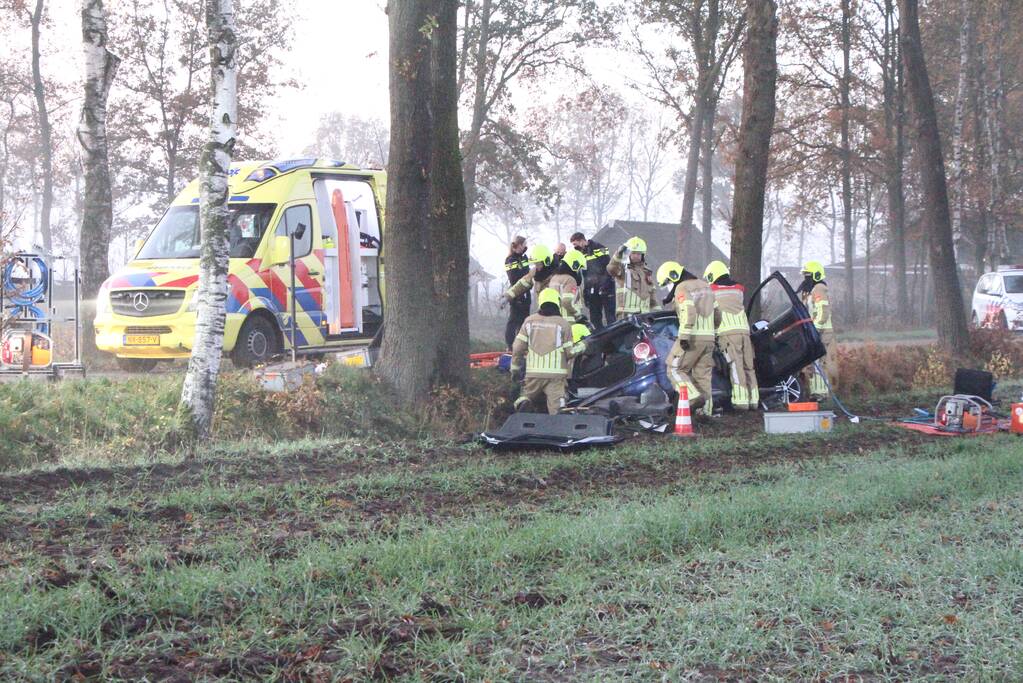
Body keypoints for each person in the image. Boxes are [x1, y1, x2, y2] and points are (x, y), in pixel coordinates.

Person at [510, 288, 585, 414]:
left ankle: (524, 403)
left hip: (533, 374)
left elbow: (517, 348)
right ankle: (556, 427)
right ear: (557, 303)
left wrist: (515, 369)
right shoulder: (563, 324)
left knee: (526, 395)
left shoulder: (529, 321)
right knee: (557, 410)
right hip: (556, 376)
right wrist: (583, 346)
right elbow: (570, 352)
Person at [659, 260, 716, 416]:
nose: (669, 288)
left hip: (692, 337)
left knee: (674, 369)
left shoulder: (682, 287)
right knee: (702, 376)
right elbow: (718, 314)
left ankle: (692, 398)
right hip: (709, 338)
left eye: (667, 283)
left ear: (673, 276)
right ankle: (706, 413)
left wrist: (684, 337)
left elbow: (688, 312)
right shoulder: (706, 286)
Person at [704, 260, 759, 411]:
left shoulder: (712, 291)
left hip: (727, 333)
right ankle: (754, 400)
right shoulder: (738, 290)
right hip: (745, 333)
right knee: (749, 366)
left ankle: (741, 402)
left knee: (736, 366)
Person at [797, 260, 836, 400]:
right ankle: (817, 392)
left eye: (808, 275)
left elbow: (823, 312)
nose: (805, 278)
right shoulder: (809, 291)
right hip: (814, 332)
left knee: (818, 361)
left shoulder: (819, 288)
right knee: (814, 362)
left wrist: (815, 329)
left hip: (822, 331)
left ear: (816, 275)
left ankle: (820, 394)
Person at [570, 232, 614, 329]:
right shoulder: (579, 253)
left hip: (606, 287)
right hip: (591, 289)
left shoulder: (599, 248)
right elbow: (584, 274)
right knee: (594, 317)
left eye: (575, 244)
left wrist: (604, 285)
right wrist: (586, 292)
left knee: (610, 317)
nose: (574, 247)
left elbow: (608, 268)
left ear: (582, 241)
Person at [606, 237, 657, 316]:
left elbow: (651, 290)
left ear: (643, 255)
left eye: (639, 254)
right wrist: (618, 255)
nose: (636, 256)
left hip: (644, 313)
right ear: (628, 253)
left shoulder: (647, 271)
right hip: (626, 312)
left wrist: (655, 309)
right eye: (633, 253)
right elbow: (611, 269)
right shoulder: (623, 268)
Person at [503, 236, 531, 351]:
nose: (525, 246)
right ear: (518, 245)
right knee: (513, 321)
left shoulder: (523, 258)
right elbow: (514, 278)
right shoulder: (511, 260)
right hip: (516, 294)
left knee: (524, 322)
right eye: (524, 244)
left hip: (526, 294)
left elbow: (528, 273)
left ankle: (522, 345)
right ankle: (510, 346)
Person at [547, 248, 587, 321]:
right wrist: (578, 315)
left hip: (555, 318)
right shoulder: (570, 280)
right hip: (569, 320)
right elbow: (566, 302)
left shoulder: (554, 278)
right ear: (575, 265)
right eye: (579, 267)